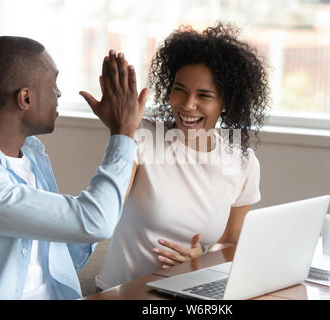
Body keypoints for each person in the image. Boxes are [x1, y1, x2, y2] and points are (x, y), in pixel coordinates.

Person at [0, 36, 147, 299]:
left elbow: (65, 255)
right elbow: (94, 223)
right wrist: (122, 133)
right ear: (25, 98)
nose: (58, 94)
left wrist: (110, 193)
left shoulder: (33, 156)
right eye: (53, 85)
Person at [96, 23, 270, 290]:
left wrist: (202, 259)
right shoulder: (142, 138)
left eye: (204, 95)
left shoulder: (243, 162)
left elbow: (232, 242)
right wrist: (121, 129)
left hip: (190, 292)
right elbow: (105, 209)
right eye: (180, 90)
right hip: (123, 293)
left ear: (226, 102)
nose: (188, 105)